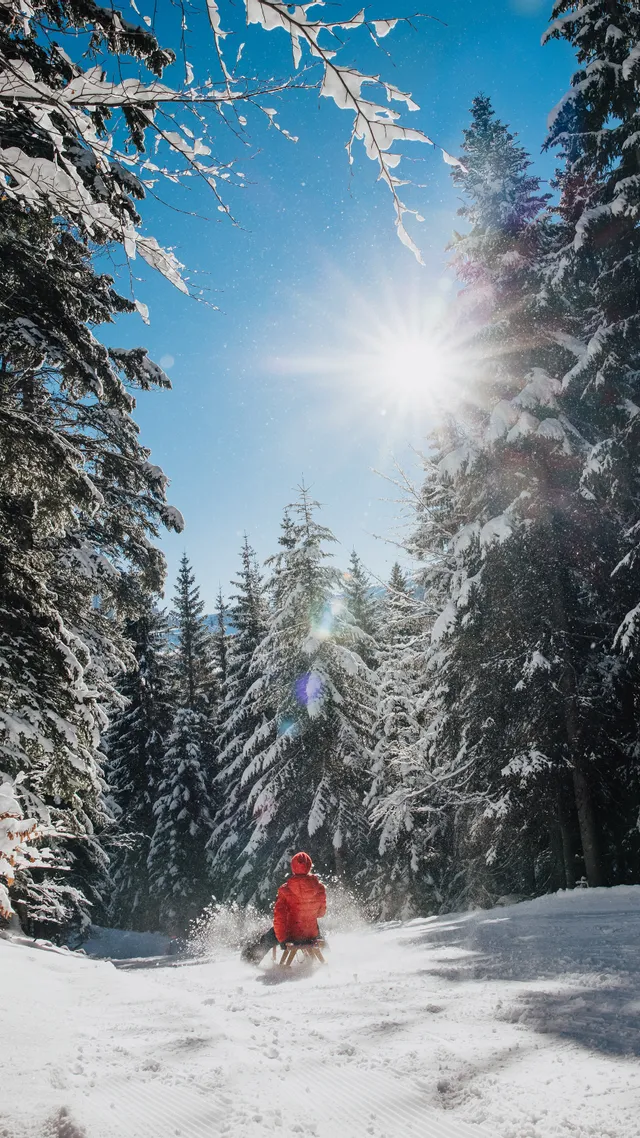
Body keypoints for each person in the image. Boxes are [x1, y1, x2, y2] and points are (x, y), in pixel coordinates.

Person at [241, 851, 326, 965]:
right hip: (311, 934)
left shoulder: (285, 890)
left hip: (291, 935)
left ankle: (247, 964)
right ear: (309, 866)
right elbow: (321, 913)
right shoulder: (320, 888)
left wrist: (283, 939)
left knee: (265, 939)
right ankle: (323, 957)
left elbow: (279, 918)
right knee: (318, 931)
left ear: (293, 867)